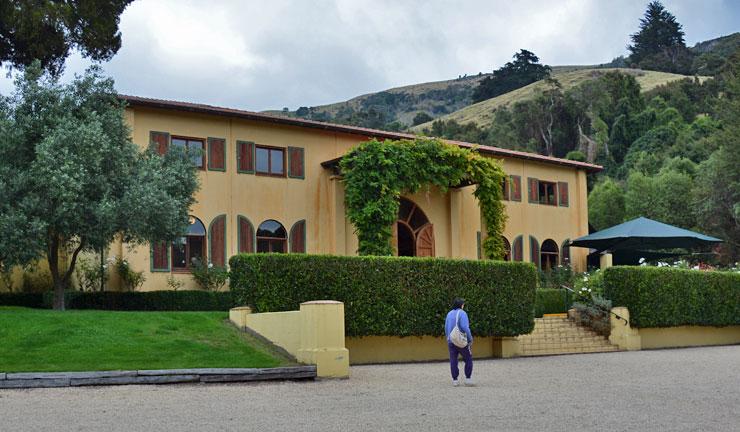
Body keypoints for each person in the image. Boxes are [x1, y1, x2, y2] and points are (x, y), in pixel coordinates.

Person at [445, 297, 474, 386]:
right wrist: (470, 338)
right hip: (461, 341)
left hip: (451, 340)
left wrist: (448, 338)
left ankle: (455, 380)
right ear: (461, 305)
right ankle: (468, 379)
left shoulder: (449, 314)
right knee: (468, 358)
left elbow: (446, 327)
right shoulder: (462, 313)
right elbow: (465, 327)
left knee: (453, 360)